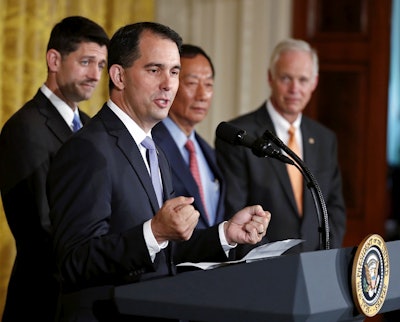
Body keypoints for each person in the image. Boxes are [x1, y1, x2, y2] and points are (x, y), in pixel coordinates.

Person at [46, 22, 271, 322]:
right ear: (119, 76)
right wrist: (153, 232)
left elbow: (167, 251)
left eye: (174, 71)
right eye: (154, 70)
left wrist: (226, 234)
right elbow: (74, 261)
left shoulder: (154, 150)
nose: (168, 84)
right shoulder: (88, 149)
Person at [0, 16, 109, 322]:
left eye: (101, 65)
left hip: (86, 297)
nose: (94, 75)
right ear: (54, 60)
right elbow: (39, 226)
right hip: (45, 302)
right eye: (86, 62)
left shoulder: (91, 127)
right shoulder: (25, 127)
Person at [215, 38, 346, 254]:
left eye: (303, 80)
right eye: (286, 78)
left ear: (314, 83)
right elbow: (235, 208)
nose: (295, 88)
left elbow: (335, 208)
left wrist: (326, 254)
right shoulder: (240, 135)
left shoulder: (324, 138)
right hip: (264, 270)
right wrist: (270, 262)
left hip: (316, 264)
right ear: (270, 78)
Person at [153, 44, 225, 229]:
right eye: (192, 83)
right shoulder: (150, 143)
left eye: (208, 85)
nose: (202, 95)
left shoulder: (208, 152)